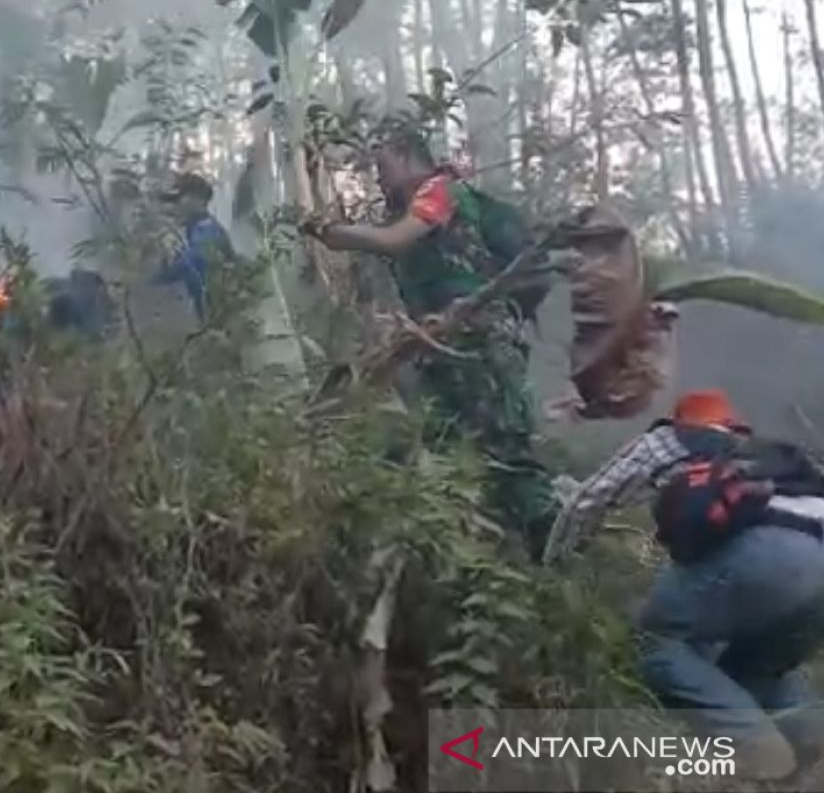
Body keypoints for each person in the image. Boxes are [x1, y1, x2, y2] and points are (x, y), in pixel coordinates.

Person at [544, 389, 824, 781]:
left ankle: (754, 745)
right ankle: (810, 741)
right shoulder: (752, 452)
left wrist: (551, 566)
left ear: (680, 418)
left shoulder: (667, 440)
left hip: (773, 549)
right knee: (757, 668)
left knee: (655, 642)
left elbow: (587, 501)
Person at [301, 132, 557, 557]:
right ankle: (486, 556)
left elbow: (394, 240)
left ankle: (553, 547)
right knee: (446, 439)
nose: (379, 181)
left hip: (479, 338)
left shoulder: (440, 191)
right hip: (443, 342)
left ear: (405, 156)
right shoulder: (419, 204)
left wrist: (332, 234)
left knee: (505, 446)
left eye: (382, 168)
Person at [152, 173, 237, 324]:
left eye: (179, 199)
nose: (174, 206)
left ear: (198, 199)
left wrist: (158, 270)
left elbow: (193, 267)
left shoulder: (207, 231)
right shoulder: (193, 229)